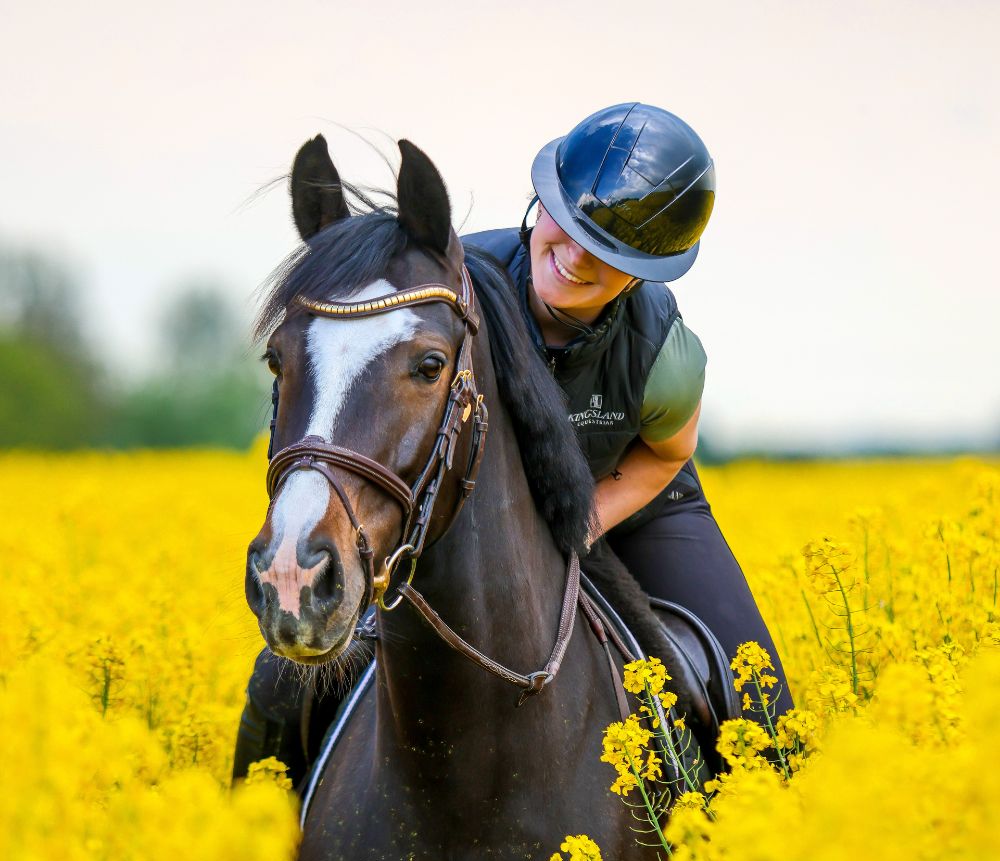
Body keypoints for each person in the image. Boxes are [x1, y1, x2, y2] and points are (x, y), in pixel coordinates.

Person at [232, 102, 793, 785]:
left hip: (628, 501)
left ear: (647, 269)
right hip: (472, 507)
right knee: (282, 678)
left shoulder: (663, 350)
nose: (577, 256)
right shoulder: (443, 290)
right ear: (541, 200)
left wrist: (574, 527)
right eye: (567, 221)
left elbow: (667, 455)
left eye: (610, 252)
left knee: (748, 673)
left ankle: (763, 860)